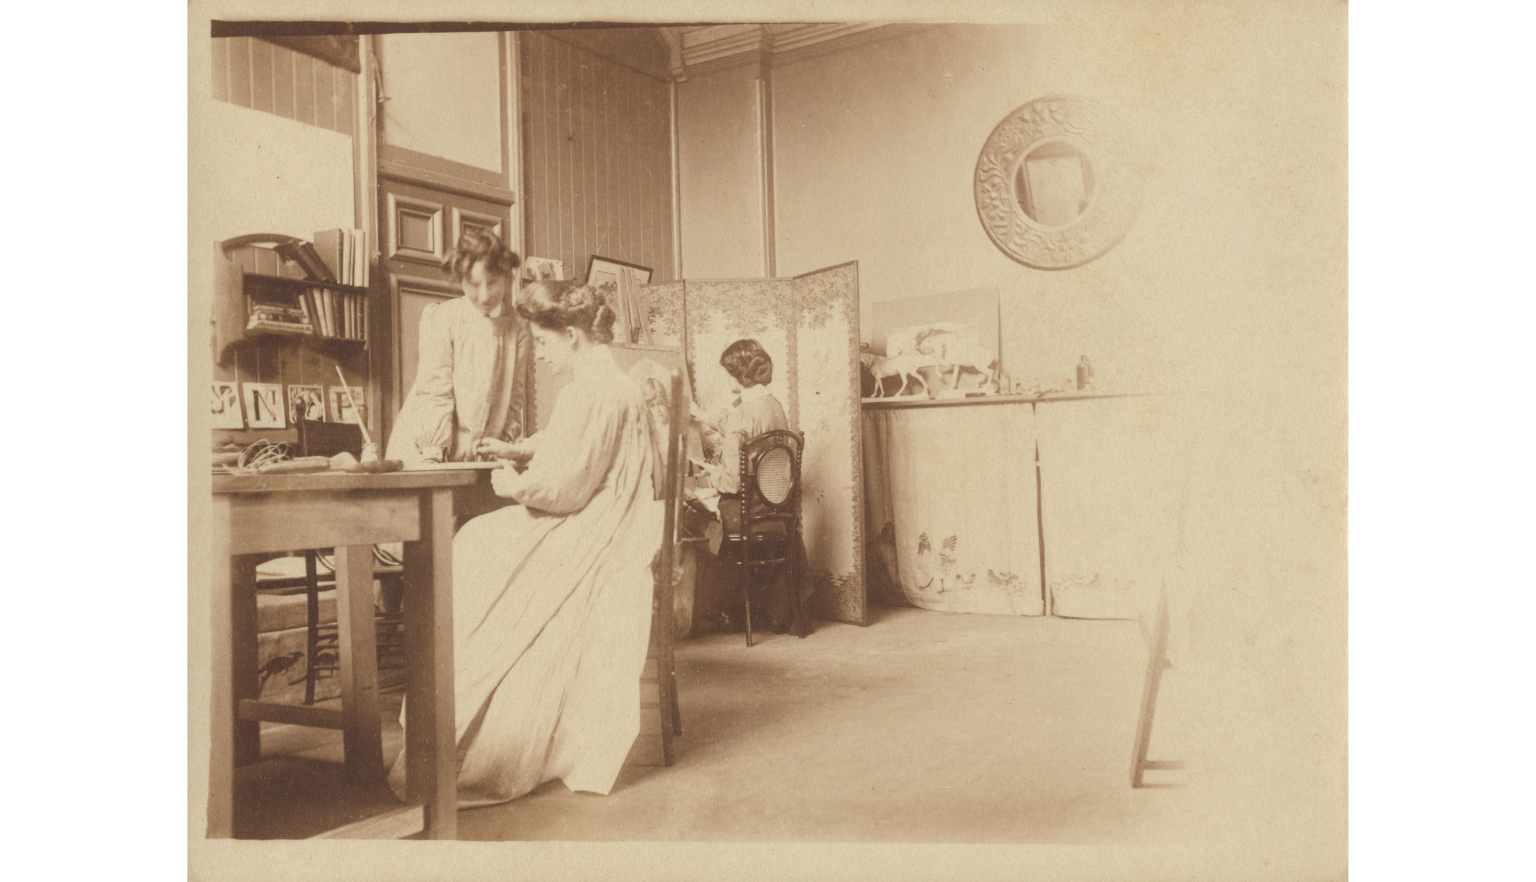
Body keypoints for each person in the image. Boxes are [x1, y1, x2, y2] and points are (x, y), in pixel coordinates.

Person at [386, 280, 665, 809]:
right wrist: (518, 447)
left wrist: (509, 480)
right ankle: (444, 699)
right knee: (480, 541)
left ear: (572, 336)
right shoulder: (607, 379)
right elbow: (572, 442)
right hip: (609, 516)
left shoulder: (590, 390)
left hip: (595, 528)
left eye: (542, 342)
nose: (539, 353)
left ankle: (457, 716)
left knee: (471, 545)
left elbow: (564, 489)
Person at [693, 339, 813, 638]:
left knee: (699, 516)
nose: (726, 378)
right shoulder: (773, 406)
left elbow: (732, 481)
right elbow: (745, 433)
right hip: (777, 507)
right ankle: (769, 610)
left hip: (749, 510)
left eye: (728, 372)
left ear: (738, 374)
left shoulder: (741, 415)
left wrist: (710, 475)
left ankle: (711, 615)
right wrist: (703, 416)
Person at [385, 228, 532, 468]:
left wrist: (502, 442)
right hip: (427, 447)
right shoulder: (445, 318)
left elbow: (515, 397)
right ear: (460, 280)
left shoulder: (519, 327)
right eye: (473, 285)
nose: (484, 296)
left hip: (482, 455)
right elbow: (435, 391)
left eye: (493, 283)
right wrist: (432, 453)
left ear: (507, 277)